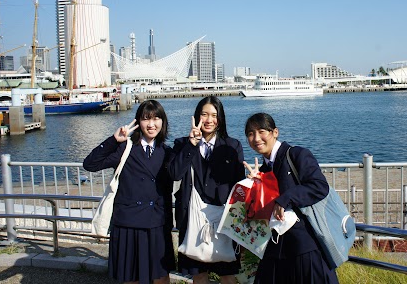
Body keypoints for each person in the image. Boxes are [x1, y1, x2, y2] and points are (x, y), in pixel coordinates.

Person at [83, 99, 175, 284]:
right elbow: (90, 164)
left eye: (156, 118)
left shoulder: (167, 152)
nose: (151, 124)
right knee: (131, 278)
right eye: (146, 119)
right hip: (128, 223)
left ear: (163, 122)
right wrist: (113, 140)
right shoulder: (126, 149)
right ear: (138, 122)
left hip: (157, 223)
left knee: (161, 278)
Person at [243, 112, 339, 284]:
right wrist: (254, 188)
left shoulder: (296, 154)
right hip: (275, 247)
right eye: (250, 134)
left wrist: (285, 199)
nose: (256, 138)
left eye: (261, 131)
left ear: (275, 132)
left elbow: (319, 186)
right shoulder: (263, 170)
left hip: (303, 244)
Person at [168, 96, 245, 284]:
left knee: (227, 274)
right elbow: (175, 173)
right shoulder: (182, 144)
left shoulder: (232, 146)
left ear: (220, 119)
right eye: (204, 114)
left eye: (214, 115)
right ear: (196, 117)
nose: (209, 120)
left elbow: (239, 185)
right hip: (192, 217)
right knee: (198, 274)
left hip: (224, 220)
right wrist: (191, 145)